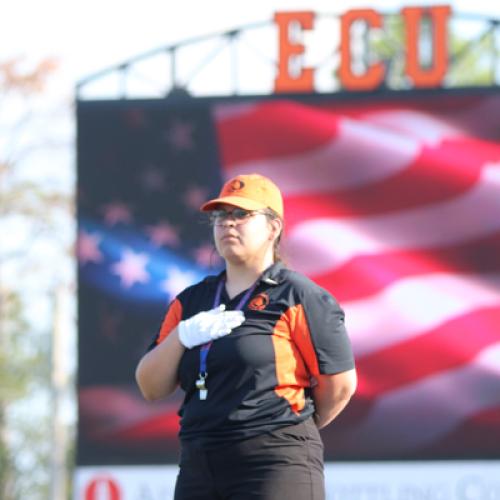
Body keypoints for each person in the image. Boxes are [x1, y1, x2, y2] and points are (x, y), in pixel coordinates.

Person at [135, 173, 357, 500]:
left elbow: (340, 386)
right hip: (201, 461)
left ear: (273, 227)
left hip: (274, 461)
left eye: (242, 215)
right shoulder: (191, 301)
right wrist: (181, 336)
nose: (228, 224)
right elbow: (150, 386)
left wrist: (284, 427)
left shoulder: (299, 296)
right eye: (220, 216)